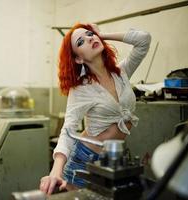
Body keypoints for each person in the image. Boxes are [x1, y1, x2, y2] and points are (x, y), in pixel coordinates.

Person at [39, 23, 151, 195]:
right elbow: (68, 129)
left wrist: (102, 34)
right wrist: (56, 170)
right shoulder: (82, 88)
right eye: (81, 42)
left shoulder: (120, 73)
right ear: (78, 59)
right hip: (84, 159)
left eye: (90, 34)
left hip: (113, 160)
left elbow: (143, 40)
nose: (90, 38)